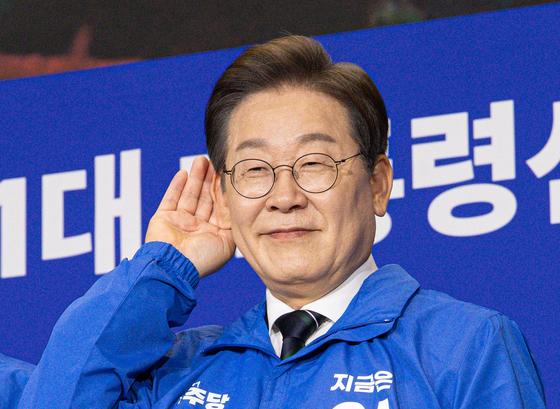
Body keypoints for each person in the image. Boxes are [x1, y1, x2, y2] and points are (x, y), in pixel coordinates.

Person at [1, 35, 545, 408]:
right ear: (223, 194)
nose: (284, 197)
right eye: (255, 170)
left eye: (314, 164)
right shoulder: (179, 372)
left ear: (378, 183)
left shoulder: (462, 345)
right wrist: (164, 269)